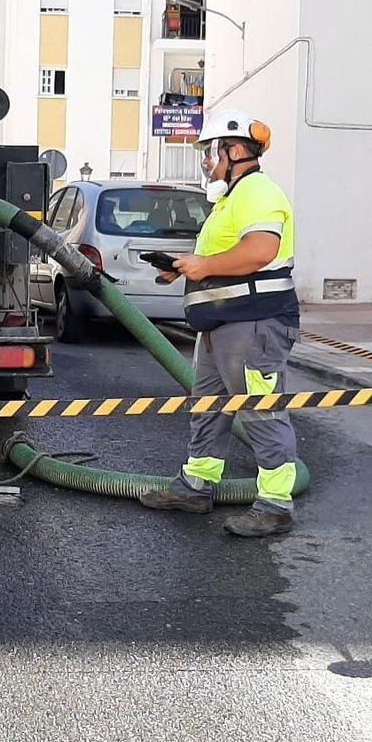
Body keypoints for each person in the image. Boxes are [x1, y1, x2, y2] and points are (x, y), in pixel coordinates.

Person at [139, 109, 301, 537]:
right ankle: (195, 486)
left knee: (261, 412)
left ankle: (275, 505)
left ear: (234, 151)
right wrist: (186, 268)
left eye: (210, 152)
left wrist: (204, 263)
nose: (206, 161)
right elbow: (228, 260)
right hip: (221, 327)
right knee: (208, 409)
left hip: (253, 325)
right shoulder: (231, 199)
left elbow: (260, 251)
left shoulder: (257, 191)